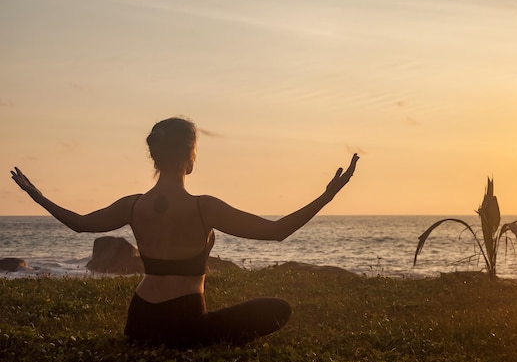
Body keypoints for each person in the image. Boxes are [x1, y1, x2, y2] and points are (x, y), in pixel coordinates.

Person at [10, 117, 359, 347]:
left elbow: (79, 222)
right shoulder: (203, 207)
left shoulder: (133, 206)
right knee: (278, 307)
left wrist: (37, 195)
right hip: (186, 325)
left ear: (155, 158)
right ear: (190, 157)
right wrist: (328, 195)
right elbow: (278, 231)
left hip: (139, 323)